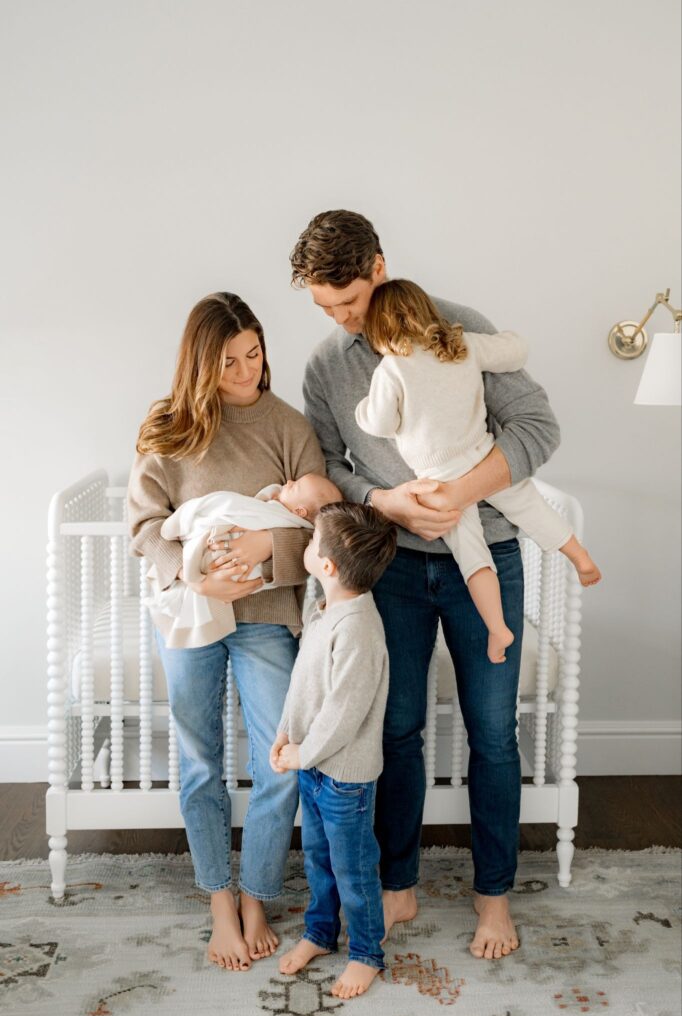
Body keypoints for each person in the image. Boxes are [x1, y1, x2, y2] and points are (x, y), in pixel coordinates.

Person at [290, 209, 561, 960]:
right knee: (396, 728)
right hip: (394, 567)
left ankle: (492, 896)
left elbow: (537, 430)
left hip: (488, 556)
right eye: (327, 308)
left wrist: (459, 494)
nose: (344, 320)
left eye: (349, 300)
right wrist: (387, 503)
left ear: (378, 266)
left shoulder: (456, 329)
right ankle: (398, 880)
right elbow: (329, 467)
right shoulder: (329, 364)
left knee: (493, 734)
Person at [127, 292, 325, 971]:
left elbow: (320, 529)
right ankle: (218, 897)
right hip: (189, 615)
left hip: (266, 618)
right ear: (199, 363)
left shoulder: (288, 426)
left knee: (280, 761)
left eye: (254, 356)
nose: (244, 372)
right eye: (228, 362)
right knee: (201, 761)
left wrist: (267, 551)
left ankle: (257, 894)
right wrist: (194, 579)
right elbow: (145, 527)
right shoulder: (168, 426)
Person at [356, 278, 601, 663]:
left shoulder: (391, 369)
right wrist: (510, 336)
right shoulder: (460, 345)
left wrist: (362, 408)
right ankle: (580, 557)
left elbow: (381, 423)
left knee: (472, 555)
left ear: (379, 328)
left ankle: (497, 627)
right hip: (482, 456)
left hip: (439, 481)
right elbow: (515, 352)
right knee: (532, 508)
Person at [271, 502, 397, 1000]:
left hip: (343, 776)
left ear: (326, 566)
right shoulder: (324, 611)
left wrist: (302, 754)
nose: (305, 546)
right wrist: (285, 734)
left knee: (354, 867)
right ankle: (320, 933)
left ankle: (367, 952)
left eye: (311, 542)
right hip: (312, 767)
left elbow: (344, 712)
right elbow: (302, 685)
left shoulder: (359, 629)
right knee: (319, 859)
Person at [146, 473, 342, 649]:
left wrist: (269, 542)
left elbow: (320, 539)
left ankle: (197, 559)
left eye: (295, 486)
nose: (289, 481)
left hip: (267, 612)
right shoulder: (270, 505)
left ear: (299, 512)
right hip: (186, 575)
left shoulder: (284, 515)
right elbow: (144, 522)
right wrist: (189, 576)